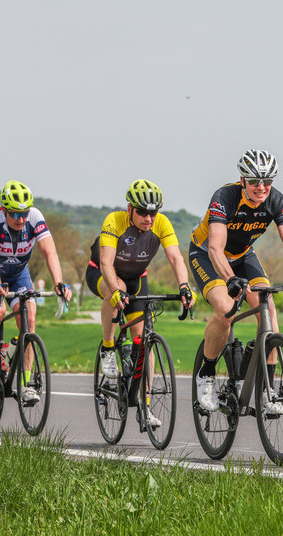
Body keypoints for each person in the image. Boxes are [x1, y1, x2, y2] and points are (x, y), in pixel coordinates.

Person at [189, 149, 283, 414]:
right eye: (254, 181)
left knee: (268, 311)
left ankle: (267, 393)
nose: (261, 187)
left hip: (242, 256)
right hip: (207, 255)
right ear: (242, 180)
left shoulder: (276, 200)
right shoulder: (224, 197)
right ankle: (206, 373)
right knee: (226, 310)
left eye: (267, 181)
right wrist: (230, 279)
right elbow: (215, 248)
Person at [91, 179, 194, 424]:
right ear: (130, 209)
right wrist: (115, 289)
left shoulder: (162, 224)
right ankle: (108, 347)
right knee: (118, 291)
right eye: (142, 212)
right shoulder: (114, 221)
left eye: (153, 213)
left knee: (144, 340)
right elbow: (105, 262)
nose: (148, 218)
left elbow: (176, 257)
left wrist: (184, 286)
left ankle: (145, 407)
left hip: (138, 277)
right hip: (103, 273)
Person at [0, 180, 72, 401]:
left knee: (29, 321)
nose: (21, 219)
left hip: (18, 274)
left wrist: (59, 282)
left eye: (24, 214)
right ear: (4, 210)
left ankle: (26, 383)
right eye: (15, 214)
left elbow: (50, 252)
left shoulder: (35, 217)